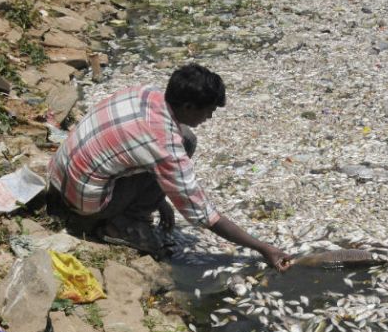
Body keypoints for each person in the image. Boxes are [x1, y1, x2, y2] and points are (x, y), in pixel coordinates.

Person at [46, 63, 292, 271]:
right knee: (184, 144)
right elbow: (203, 214)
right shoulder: (165, 146)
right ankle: (122, 225)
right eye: (208, 111)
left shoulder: (144, 93)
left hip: (59, 176)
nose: (210, 118)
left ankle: (131, 209)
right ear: (188, 107)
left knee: (186, 139)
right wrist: (262, 248)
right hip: (83, 202)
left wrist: (161, 200)